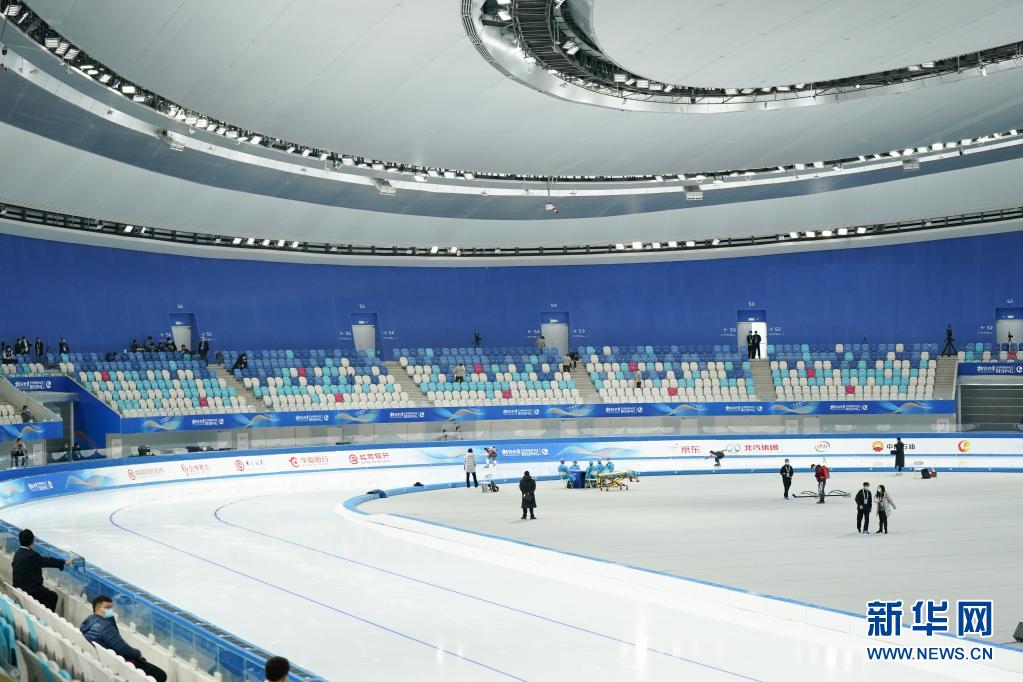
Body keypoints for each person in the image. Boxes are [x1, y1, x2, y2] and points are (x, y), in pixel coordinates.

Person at [80, 595, 167, 682]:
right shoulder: (104, 626)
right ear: (98, 608)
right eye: (107, 607)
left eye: (111, 607)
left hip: (108, 660)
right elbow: (122, 649)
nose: (110, 610)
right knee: (161, 675)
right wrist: (137, 654)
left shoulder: (90, 622)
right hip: (119, 663)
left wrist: (110, 619)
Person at [12, 529, 68, 612]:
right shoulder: (31, 555)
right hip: (29, 590)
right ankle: (47, 616)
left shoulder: (18, 553)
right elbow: (46, 561)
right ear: (32, 540)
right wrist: (63, 562)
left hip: (18, 587)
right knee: (52, 596)